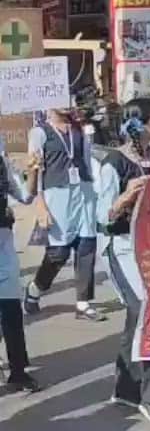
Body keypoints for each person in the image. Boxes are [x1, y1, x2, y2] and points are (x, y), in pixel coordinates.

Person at [95, 98, 150, 424]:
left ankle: (126, 386)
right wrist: (127, 195)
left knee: (140, 312)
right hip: (121, 245)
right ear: (139, 124)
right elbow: (103, 215)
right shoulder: (113, 162)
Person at [23, 105, 104, 321]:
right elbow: (35, 169)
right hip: (56, 193)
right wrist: (40, 203)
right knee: (58, 252)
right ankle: (35, 289)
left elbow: (88, 161)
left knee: (87, 244)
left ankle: (83, 302)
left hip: (84, 191)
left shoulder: (79, 130)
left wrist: (95, 190)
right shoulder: (40, 132)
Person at [0, 147, 38, 392]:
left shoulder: (2, 163)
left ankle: (18, 371)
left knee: (11, 311)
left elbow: (25, 195)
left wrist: (33, 171)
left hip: (3, 248)